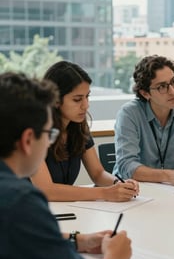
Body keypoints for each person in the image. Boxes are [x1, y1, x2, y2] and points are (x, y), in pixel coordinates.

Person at [0, 72, 132, 259]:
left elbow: (16, 239)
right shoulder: (20, 201)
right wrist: (115, 257)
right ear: (28, 140)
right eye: (48, 135)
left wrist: (77, 240)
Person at [31, 61, 139, 201]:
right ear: (55, 100)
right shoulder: (34, 132)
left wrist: (119, 184)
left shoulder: (78, 126)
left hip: (62, 210)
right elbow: (46, 190)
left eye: (87, 96)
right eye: (77, 99)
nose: (86, 105)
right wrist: (105, 193)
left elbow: (98, 174)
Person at [113, 55, 174, 187]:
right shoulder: (129, 113)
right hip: (134, 190)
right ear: (145, 93)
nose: (172, 91)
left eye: (173, 82)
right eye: (162, 87)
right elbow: (127, 166)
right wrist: (169, 176)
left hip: (173, 190)